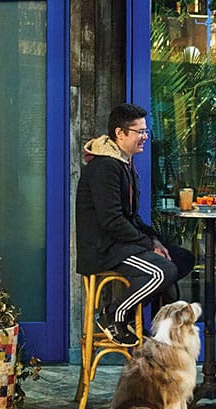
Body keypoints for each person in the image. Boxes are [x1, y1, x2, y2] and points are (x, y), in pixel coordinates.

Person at [76, 103, 195, 346]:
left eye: (145, 131)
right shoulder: (105, 167)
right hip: (105, 249)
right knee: (163, 270)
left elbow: (131, 217)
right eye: (139, 132)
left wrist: (154, 241)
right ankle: (114, 314)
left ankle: (160, 327)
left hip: (122, 244)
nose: (144, 137)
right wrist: (146, 244)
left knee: (181, 258)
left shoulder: (123, 163)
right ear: (120, 133)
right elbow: (112, 220)